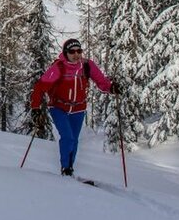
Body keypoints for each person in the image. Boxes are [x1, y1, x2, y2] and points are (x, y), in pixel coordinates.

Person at [29, 38, 120, 176]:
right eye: (72, 51)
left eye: (79, 51)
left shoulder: (87, 65)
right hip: (58, 107)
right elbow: (40, 87)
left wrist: (111, 88)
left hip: (78, 109)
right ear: (66, 53)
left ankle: (69, 169)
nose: (76, 54)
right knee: (68, 137)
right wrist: (35, 108)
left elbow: (101, 81)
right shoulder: (59, 67)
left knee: (74, 141)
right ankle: (65, 168)